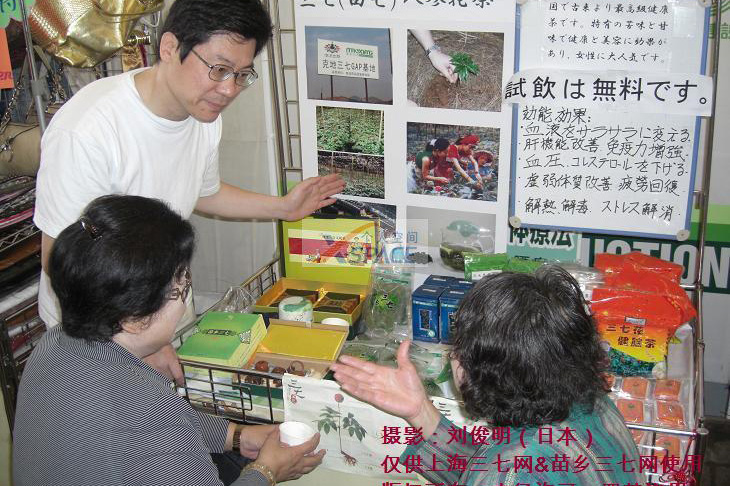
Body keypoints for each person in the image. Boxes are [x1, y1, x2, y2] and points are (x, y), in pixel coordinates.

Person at [33, 0, 344, 381]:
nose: (228, 89)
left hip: (162, 314)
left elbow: (202, 190)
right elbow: (61, 261)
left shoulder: (202, 115)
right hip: (94, 334)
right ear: (169, 47)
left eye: (242, 75)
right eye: (218, 69)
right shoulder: (88, 131)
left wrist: (283, 207)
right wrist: (143, 340)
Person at [13, 195, 326, 486]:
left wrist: (235, 435)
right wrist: (267, 471)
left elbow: (156, 429)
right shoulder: (147, 410)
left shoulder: (53, 345)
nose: (186, 293)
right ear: (135, 319)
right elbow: (154, 425)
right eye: (181, 284)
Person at [331, 266, 643, 486]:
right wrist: (420, 411)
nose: (453, 356)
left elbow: (500, 471)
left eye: (459, 348)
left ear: (488, 376)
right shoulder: (592, 405)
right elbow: (495, 464)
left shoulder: (506, 472)